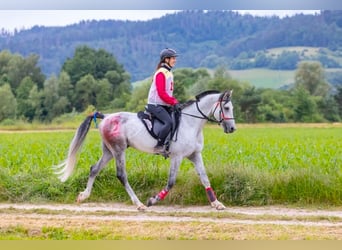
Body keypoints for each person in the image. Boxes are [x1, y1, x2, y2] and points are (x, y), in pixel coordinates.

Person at [147, 48, 179, 154]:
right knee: (168, 122)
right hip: (155, 104)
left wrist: (173, 101)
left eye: (175, 58)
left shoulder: (168, 72)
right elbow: (161, 93)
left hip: (163, 104)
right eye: (173, 58)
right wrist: (173, 101)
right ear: (166, 60)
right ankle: (159, 146)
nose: (175, 60)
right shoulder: (161, 73)